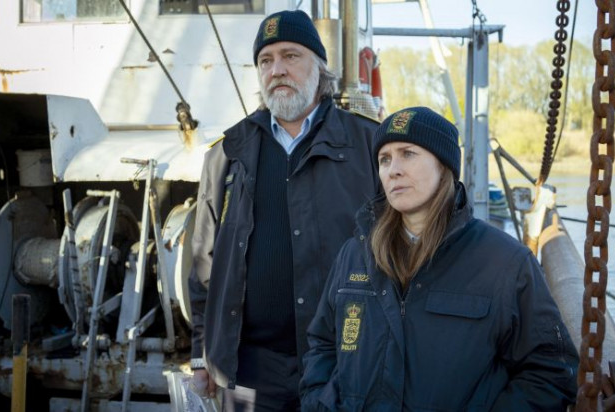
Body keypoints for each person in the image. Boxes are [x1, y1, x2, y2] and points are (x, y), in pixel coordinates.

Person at [300, 107, 579, 411]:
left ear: (443, 166)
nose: (393, 170)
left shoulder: (505, 263)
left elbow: (550, 372)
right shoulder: (355, 254)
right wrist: (320, 404)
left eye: (408, 154)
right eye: (384, 159)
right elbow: (323, 345)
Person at [188, 9, 380, 411]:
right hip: (249, 369)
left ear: (320, 67)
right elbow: (204, 266)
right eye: (266, 60)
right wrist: (201, 354)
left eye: (291, 56)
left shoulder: (370, 146)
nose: (277, 69)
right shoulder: (227, 153)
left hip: (346, 362)